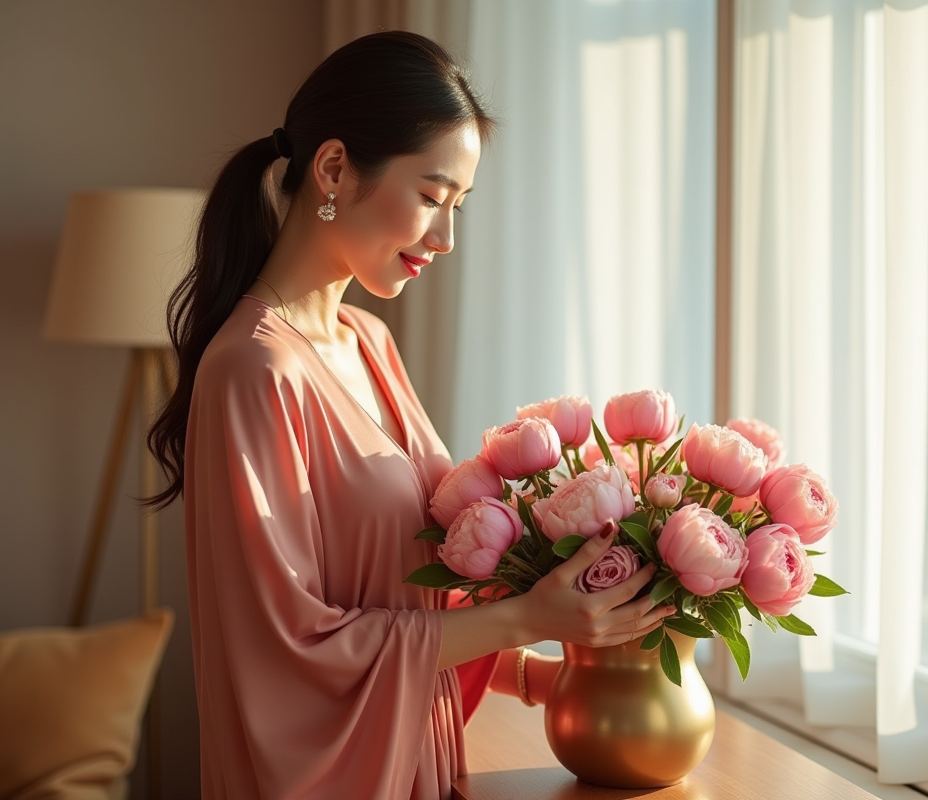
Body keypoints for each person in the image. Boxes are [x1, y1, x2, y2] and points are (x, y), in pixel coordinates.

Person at [147, 31, 675, 800]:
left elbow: (409, 585)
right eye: (431, 197)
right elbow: (290, 648)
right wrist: (527, 621)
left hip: (412, 762)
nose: (448, 236)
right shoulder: (253, 370)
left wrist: (534, 671)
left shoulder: (369, 341)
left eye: (458, 205)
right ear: (333, 168)